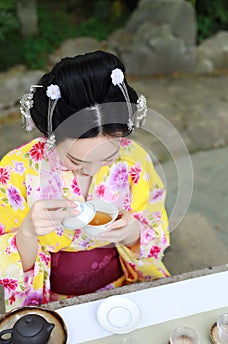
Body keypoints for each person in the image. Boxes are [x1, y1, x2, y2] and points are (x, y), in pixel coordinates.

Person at [0, 51, 170, 312]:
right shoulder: (16, 169)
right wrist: (28, 232)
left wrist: (132, 232)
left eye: (108, 158)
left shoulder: (135, 158)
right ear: (49, 135)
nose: (91, 171)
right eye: (77, 162)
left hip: (123, 284)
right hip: (50, 296)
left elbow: (154, 226)